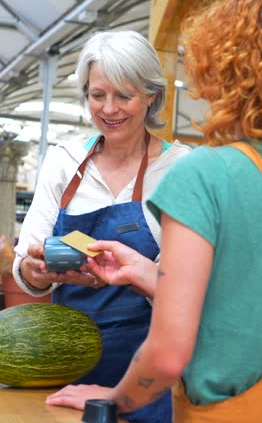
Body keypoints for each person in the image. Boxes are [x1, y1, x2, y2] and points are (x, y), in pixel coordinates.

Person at [45, 0, 262, 422]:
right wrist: (144, 269)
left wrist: (110, 402)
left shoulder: (203, 173)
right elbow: (237, 294)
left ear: (219, 68)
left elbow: (167, 354)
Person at [13, 30, 190, 423]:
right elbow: (25, 266)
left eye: (124, 95)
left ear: (151, 96)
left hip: (148, 369)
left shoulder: (180, 169)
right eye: (97, 95)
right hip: (62, 365)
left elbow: (187, 291)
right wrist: (36, 270)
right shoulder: (64, 161)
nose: (109, 109)